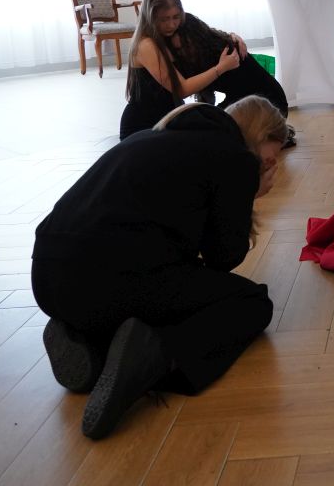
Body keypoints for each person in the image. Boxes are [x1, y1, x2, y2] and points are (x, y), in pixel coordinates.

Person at [32, 96, 286, 439]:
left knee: (156, 284)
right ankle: (157, 357)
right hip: (107, 281)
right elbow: (223, 258)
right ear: (259, 136)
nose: (272, 166)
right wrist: (249, 191)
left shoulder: (151, 136)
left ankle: (90, 345)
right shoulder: (235, 158)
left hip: (47, 278)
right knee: (252, 302)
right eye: (270, 157)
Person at [120, 0, 241, 140]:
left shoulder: (166, 35)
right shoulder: (146, 45)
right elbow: (181, 89)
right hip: (145, 126)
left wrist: (231, 36)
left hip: (169, 117)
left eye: (176, 17)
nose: (171, 25)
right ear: (150, 18)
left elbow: (206, 33)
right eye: (164, 19)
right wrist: (220, 68)